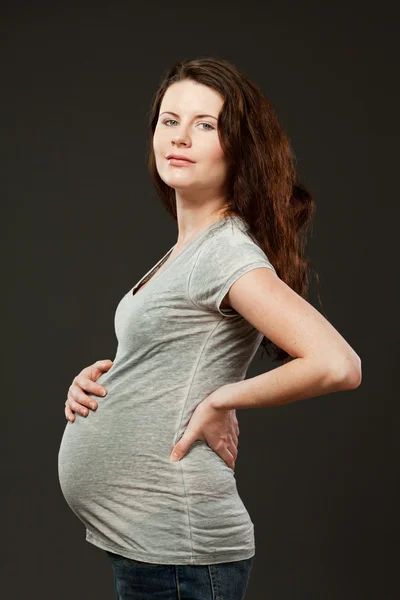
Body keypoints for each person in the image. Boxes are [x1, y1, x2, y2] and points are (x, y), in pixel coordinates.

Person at [58, 57, 362, 599]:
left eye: (206, 125)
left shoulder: (222, 251)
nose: (180, 137)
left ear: (239, 147)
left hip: (179, 555)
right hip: (150, 548)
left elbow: (338, 364)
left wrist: (222, 399)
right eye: (169, 120)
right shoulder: (189, 250)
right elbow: (171, 357)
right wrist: (103, 383)